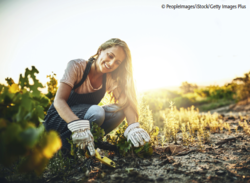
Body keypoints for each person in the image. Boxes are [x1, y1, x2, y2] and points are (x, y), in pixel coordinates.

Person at [43, 38, 151, 156]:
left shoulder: (109, 78)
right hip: (57, 119)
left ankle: (84, 147)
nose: (111, 63)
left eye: (117, 62)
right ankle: (62, 148)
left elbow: (126, 102)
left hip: (83, 122)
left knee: (119, 111)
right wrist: (78, 126)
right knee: (97, 112)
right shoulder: (76, 66)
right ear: (100, 50)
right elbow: (59, 101)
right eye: (110, 56)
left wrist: (133, 126)